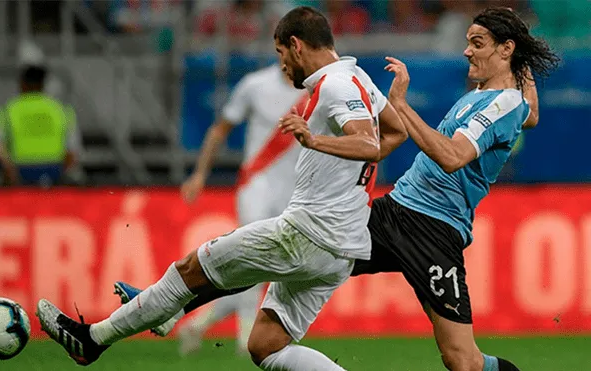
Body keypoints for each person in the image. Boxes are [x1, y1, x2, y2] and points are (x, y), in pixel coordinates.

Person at [113, 7, 559, 371]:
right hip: (393, 213)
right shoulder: (495, 95)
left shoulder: (504, 101)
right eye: (467, 41)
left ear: (506, 49)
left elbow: (452, 155)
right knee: (294, 251)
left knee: (461, 360)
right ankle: (175, 304)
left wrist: (401, 107)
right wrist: (521, 62)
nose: (465, 52)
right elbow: (531, 114)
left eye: (477, 43)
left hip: (435, 232)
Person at [36, 6, 407, 371]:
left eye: (281, 54)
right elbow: (396, 132)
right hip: (343, 248)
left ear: (296, 45)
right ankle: (172, 309)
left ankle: (93, 339)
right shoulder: (358, 79)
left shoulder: (336, 85)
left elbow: (368, 143)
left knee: (189, 267)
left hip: (309, 234)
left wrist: (314, 142)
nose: (282, 65)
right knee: (266, 346)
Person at [115, 63, 309, 356]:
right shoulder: (255, 84)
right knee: (254, 258)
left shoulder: (317, 88)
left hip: (294, 192)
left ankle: (197, 322)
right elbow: (220, 130)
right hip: (255, 186)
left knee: (269, 267)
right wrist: (199, 174)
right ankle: (245, 338)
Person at [0, 65, 81, 186]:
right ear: (43, 85)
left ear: (22, 84)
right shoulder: (61, 109)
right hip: (54, 170)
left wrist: (9, 174)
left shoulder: (7, 110)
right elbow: (73, 150)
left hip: (19, 171)